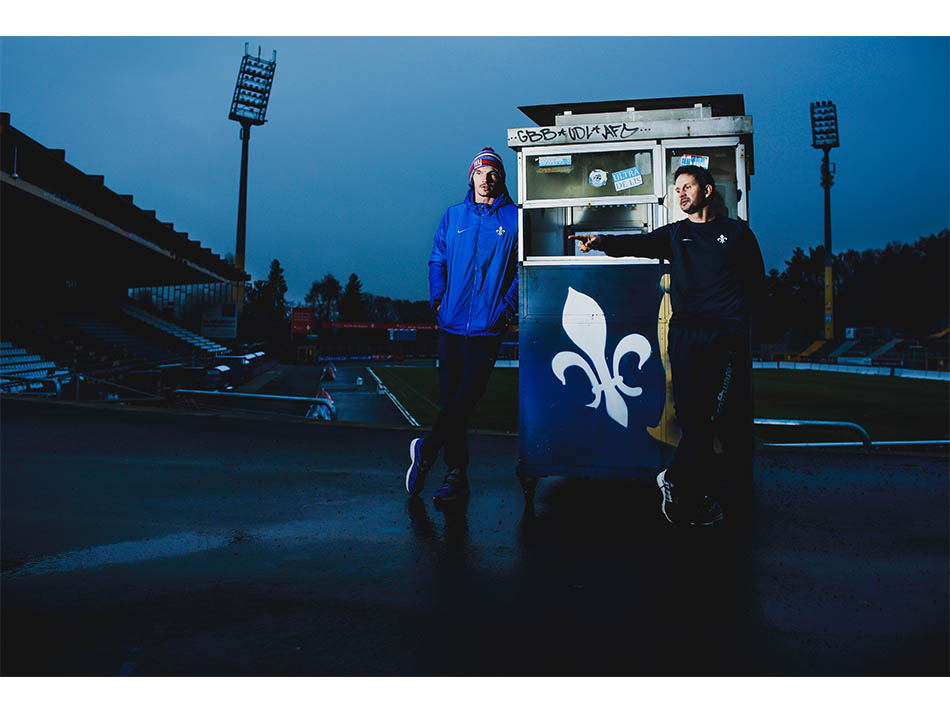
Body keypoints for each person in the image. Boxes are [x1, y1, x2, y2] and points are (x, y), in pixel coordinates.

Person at [569, 165, 765, 526]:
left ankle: (674, 479)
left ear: (706, 190)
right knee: (692, 417)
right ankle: (697, 497)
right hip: (685, 335)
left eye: (686, 187)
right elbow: (635, 244)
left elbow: (756, 284)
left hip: (724, 338)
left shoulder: (736, 233)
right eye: (677, 190)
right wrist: (601, 242)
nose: (681, 194)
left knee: (711, 417)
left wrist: (740, 324)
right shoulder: (677, 234)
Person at [405, 147, 518, 506]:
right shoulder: (453, 216)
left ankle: (427, 448)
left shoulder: (515, 218)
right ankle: (456, 477)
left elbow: (523, 267)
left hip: (488, 326)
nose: (487, 177)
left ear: (501, 177)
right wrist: (437, 302)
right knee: (452, 401)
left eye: (493, 171)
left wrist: (507, 308)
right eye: (480, 171)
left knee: (467, 398)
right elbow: (437, 259)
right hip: (450, 325)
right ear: (471, 177)